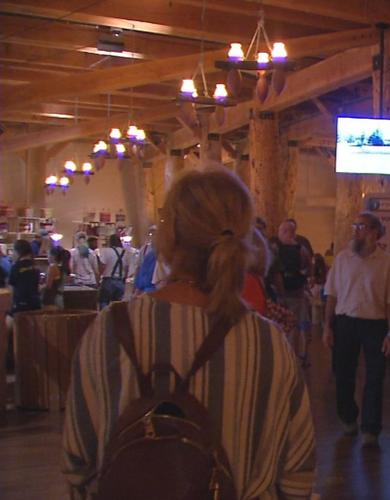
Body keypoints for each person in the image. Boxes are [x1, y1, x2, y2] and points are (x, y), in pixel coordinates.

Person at [62, 168, 315, 498]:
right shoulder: (269, 344)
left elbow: (78, 465)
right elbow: (298, 475)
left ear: (169, 238)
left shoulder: (109, 330)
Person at [323, 211, 390, 448]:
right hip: (345, 322)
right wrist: (327, 326)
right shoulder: (342, 259)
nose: (356, 231)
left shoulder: (387, 263)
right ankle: (348, 417)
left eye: (361, 226)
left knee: (375, 376)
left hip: (375, 324)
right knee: (343, 374)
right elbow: (331, 294)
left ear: (375, 232)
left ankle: (370, 428)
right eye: (355, 226)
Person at [272, 219, 314, 360]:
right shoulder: (301, 249)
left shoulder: (275, 248)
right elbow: (309, 268)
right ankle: (294, 355)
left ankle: (282, 355)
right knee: (295, 326)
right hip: (296, 293)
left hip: (281, 294)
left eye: (281, 231)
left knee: (281, 325)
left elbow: (274, 273)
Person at [8, 239, 41, 315]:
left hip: (21, 303)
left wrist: (12, 304)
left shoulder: (16, 267)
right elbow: (38, 285)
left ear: (18, 251)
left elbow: (11, 288)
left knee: (9, 319)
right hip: (35, 302)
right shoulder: (35, 266)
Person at [97, 234, 128, 309]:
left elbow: (102, 266)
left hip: (108, 280)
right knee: (117, 305)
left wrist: (98, 277)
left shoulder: (106, 251)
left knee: (104, 302)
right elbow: (127, 268)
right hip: (120, 281)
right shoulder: (126, 252)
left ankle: (104, 316)